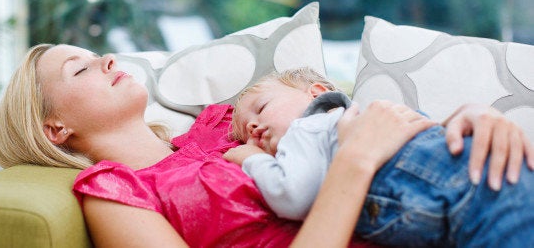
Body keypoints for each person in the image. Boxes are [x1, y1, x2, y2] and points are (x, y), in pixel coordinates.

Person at [0, 44, 532, 248]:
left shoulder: (221, 125)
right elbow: (350, 151)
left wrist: (466, 121)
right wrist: (358, 161)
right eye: (79, 67)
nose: (108, 59)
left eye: (97, 53)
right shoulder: (113, 192)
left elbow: (326, 122)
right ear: (54, 128)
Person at [225, 67, 534, 247]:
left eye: (261, 108)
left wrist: (251, 157)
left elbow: (292, 196)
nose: (252, 127)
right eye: (244, 134)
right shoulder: (365, 119)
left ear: (317, 94)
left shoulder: (310, 124)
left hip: (467, 180)